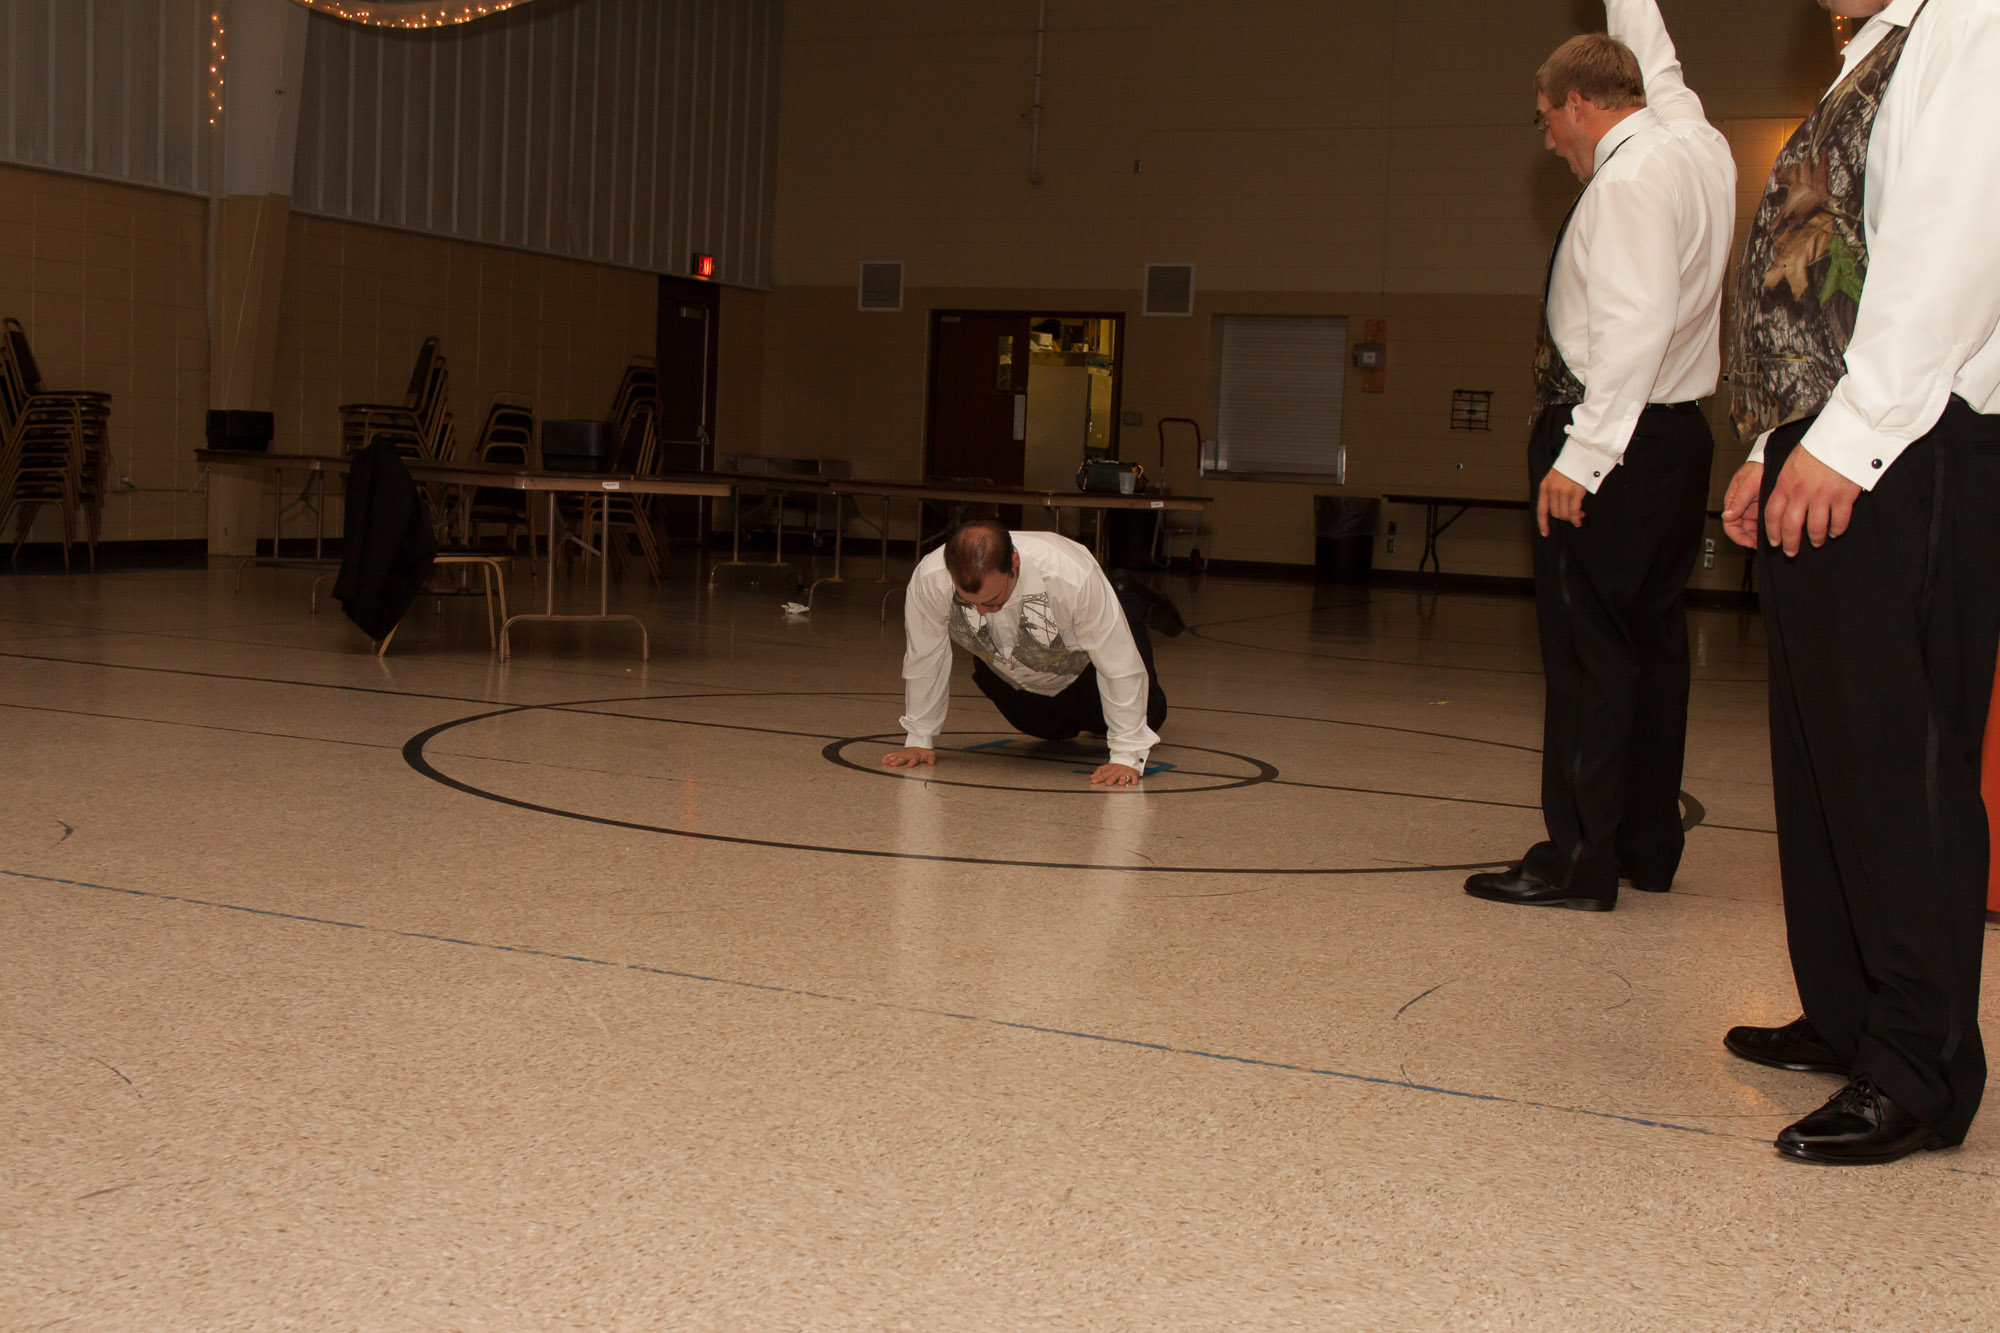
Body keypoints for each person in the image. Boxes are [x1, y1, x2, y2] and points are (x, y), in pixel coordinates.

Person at [1717, 0, 2000, 1165]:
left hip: (1909, 435)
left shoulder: (1970, 23)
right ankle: (1846, 1013)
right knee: (1822, 748)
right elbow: (1816, 276)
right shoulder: (1869, 54)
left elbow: (1951, 250)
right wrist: (1768, 443)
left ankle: (1916, 1065)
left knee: (1895, 765)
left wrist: (1852, 436)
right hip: (1834, 428)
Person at [1464, 0, 1736, 912]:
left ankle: (1578, 859)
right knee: (1652, 646)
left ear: (1579, 104)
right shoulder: (1694, 141)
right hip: (1678, 438)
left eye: (1548, 119)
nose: (1549, 141)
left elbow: (1634, 327)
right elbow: (1654, 52)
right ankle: (1645, 844)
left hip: (1613, 438)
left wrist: (1580, 459)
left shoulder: (1626, 184)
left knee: (1588, 655)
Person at [883, 519, 1179, 788]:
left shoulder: (1070, 575)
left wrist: (1126, 755)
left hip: (1082, 668)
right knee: (1050, 733)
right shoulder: (930, 579)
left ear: (1014, 562)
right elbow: (925, 656)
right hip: (1016, 673)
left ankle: (1129, 601)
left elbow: (1118, 662)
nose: (981, 611)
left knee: (1150, 714)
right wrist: (919, 738)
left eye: (992, 600)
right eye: (970, 602)